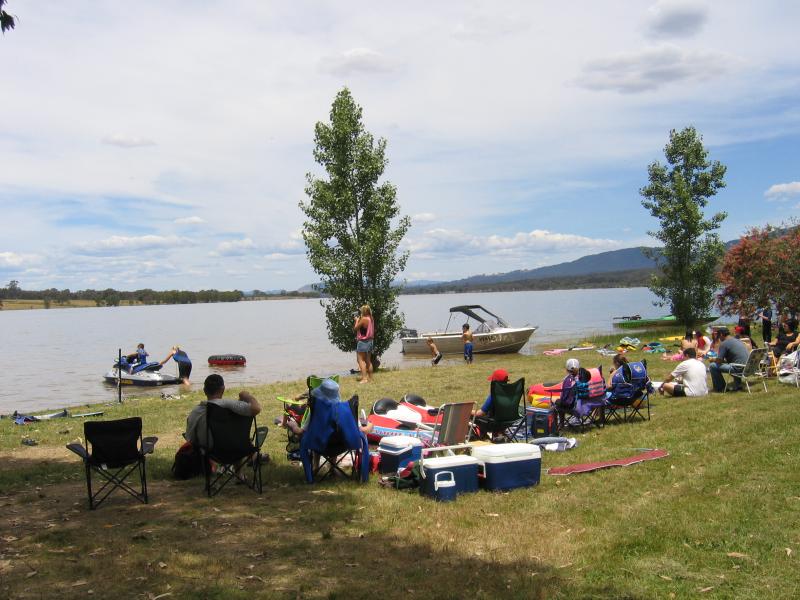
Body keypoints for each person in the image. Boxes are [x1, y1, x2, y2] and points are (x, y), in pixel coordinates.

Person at [185, 374, 261, 449]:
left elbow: (190, 439)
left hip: (209, 455)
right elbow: (256, 408)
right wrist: (245, 395)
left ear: (204, 390)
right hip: (236, 451)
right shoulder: (231, 405)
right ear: (223, 389)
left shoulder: (196, 412)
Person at [281, 378, 373, 437]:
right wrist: (371, 425)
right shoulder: (346, 409)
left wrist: (292, 425)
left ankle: (316, 465)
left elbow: (302, 432)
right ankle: (332, 465)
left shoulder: (315, 411)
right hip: (340, 447)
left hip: (320, 447)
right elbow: (362, 430)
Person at [709, 327, 750, 393]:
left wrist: (713, 359)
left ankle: (720, 388)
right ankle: (737, 384)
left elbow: (719, 361)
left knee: (712, 366)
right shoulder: (737, 340)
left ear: (721, 335)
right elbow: (733, 358)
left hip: (738, 368)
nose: (719, 338)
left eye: (719, 336)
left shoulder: (724, 343)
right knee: (735, 362)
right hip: (748, 367)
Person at [474, 369, 510, 440]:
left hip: (494, 424)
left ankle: (482, 437)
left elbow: (480, 413)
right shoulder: (511, 393)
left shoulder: (494, 395)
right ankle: (498, 434)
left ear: (494, 382)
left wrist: (467, 411)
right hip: (509, 422)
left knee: (471, 416)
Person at [353, 305, 374, 383]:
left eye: (361, 310)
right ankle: (370, 378)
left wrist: (356, 320)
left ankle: (364, 378)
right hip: (370, 341)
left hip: (363, 342)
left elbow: (355, 329)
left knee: (360, 360)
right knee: (368, 360)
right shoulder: (371, 318)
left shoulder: (364, 319)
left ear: (364, 311)